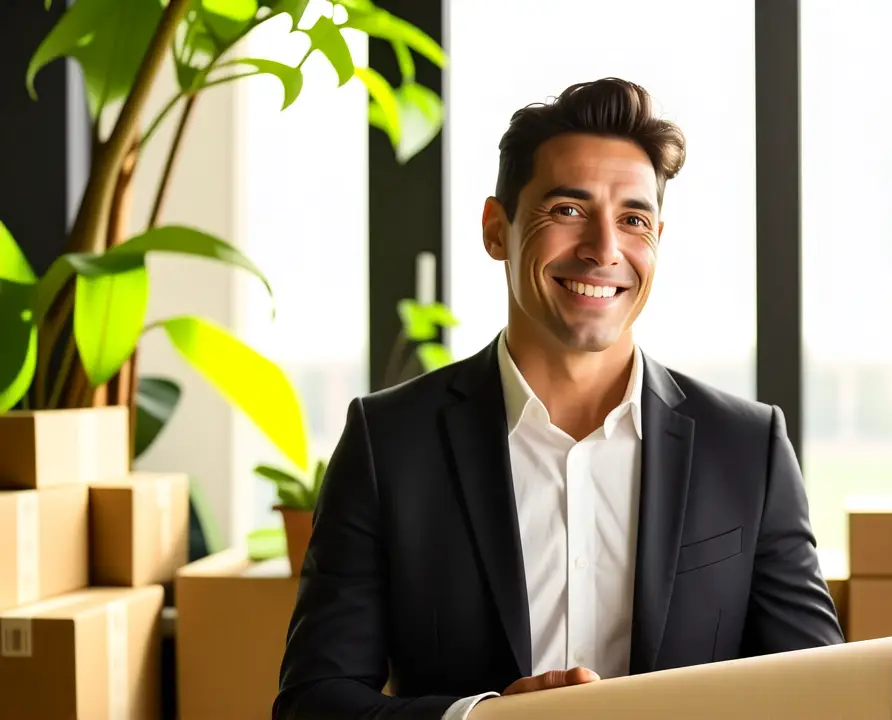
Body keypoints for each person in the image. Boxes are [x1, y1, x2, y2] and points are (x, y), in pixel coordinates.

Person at [273, 77, 843, 720]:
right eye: (568, 210)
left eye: (633, 219)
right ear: (497, 229)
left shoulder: (746, 447)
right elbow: (312, 704)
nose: (604, 249)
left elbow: (819, 694)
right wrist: (483, 719)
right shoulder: (390, 442)